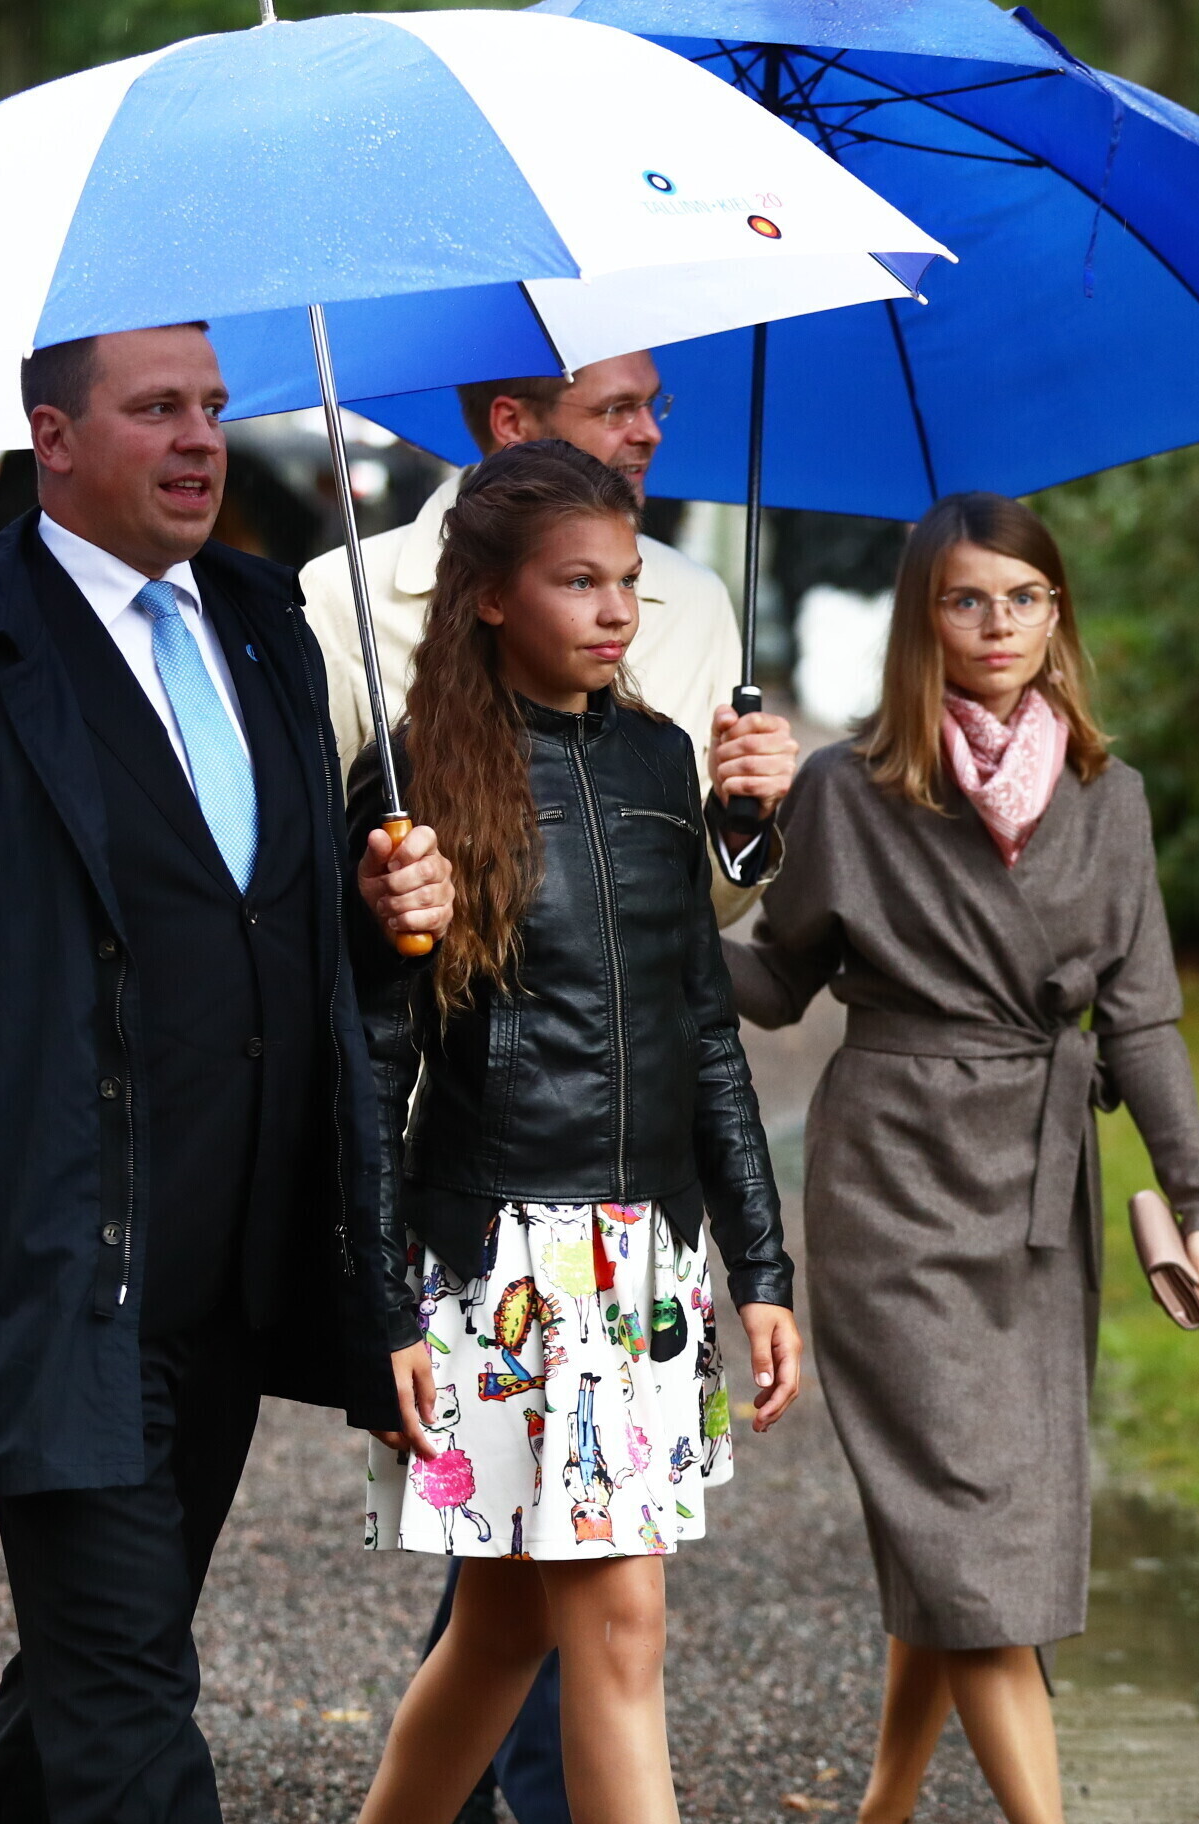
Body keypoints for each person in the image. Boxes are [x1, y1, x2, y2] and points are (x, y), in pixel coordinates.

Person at [0, 322, 455, 1824]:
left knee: (97, 1658)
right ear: (54, 438)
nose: (202, 438)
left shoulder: (269, 629)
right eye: (157, 409)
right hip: (58, 1268)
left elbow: (270, 922)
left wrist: (375, 904)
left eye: (212, 406)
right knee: (132, 1698)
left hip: (238, 1265)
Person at [318, 352, 799, 1824]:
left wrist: (762, 1267)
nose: (616, 612)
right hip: (503, 1257)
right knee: (616, 1623)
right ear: (488, 598)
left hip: (647, 1252)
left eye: (626, 584)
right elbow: (374, 1064)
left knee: (507, 1628)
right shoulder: (416, 786)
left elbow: (705, 1033)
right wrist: (381, 1308)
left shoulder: (660, 762)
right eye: (579, 583)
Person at [723, 493, 1199, 1824]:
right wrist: (659, 892)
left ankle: (884, 1811)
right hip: (892, 1186)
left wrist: (1198, 1200)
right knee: (965, 1528)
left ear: (1057, 615)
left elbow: (1143, 1019)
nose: (999, 625)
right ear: (923, 620)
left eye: (1024, 598)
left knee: (975, 1534)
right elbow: (775, 984)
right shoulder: (846, 788)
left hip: (1037, 1198)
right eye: (966, 600)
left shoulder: (1109, 798)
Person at [301, 350, 797, 933]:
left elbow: (695, 917)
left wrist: (741, 824)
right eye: (616, 409)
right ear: (512, 423)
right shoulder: (342, 593)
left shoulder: (696, 599)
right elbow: (316, 869)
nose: (650, 432)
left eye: (651, 403)